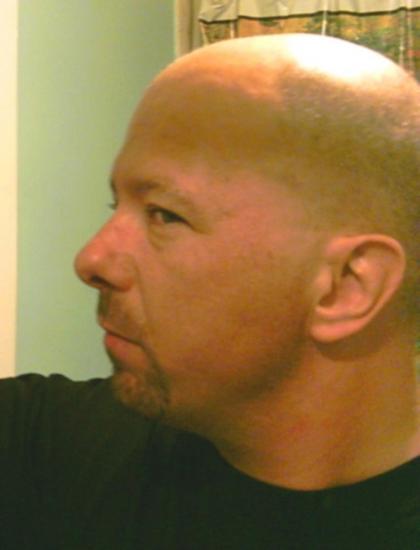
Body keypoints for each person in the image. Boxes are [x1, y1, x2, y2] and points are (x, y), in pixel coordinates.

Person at [1, 34, 419, 549]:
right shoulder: (42, 447)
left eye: (164, 215)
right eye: (117, 206)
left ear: (346, 286)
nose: (91, 260)